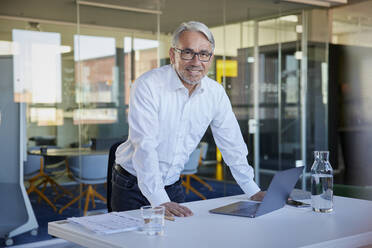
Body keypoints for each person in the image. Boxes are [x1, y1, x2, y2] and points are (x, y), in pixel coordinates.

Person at [112, 21, 265, 218]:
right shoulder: (148, 85)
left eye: (203, 54)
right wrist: (160, 200)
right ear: (172, 54)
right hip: (132, 184)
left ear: (210, 57)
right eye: (187, 52)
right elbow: (145, 146)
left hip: (173, 183)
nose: (196, 62)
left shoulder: (215, 92)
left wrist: (252, 190)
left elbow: (231, 142)